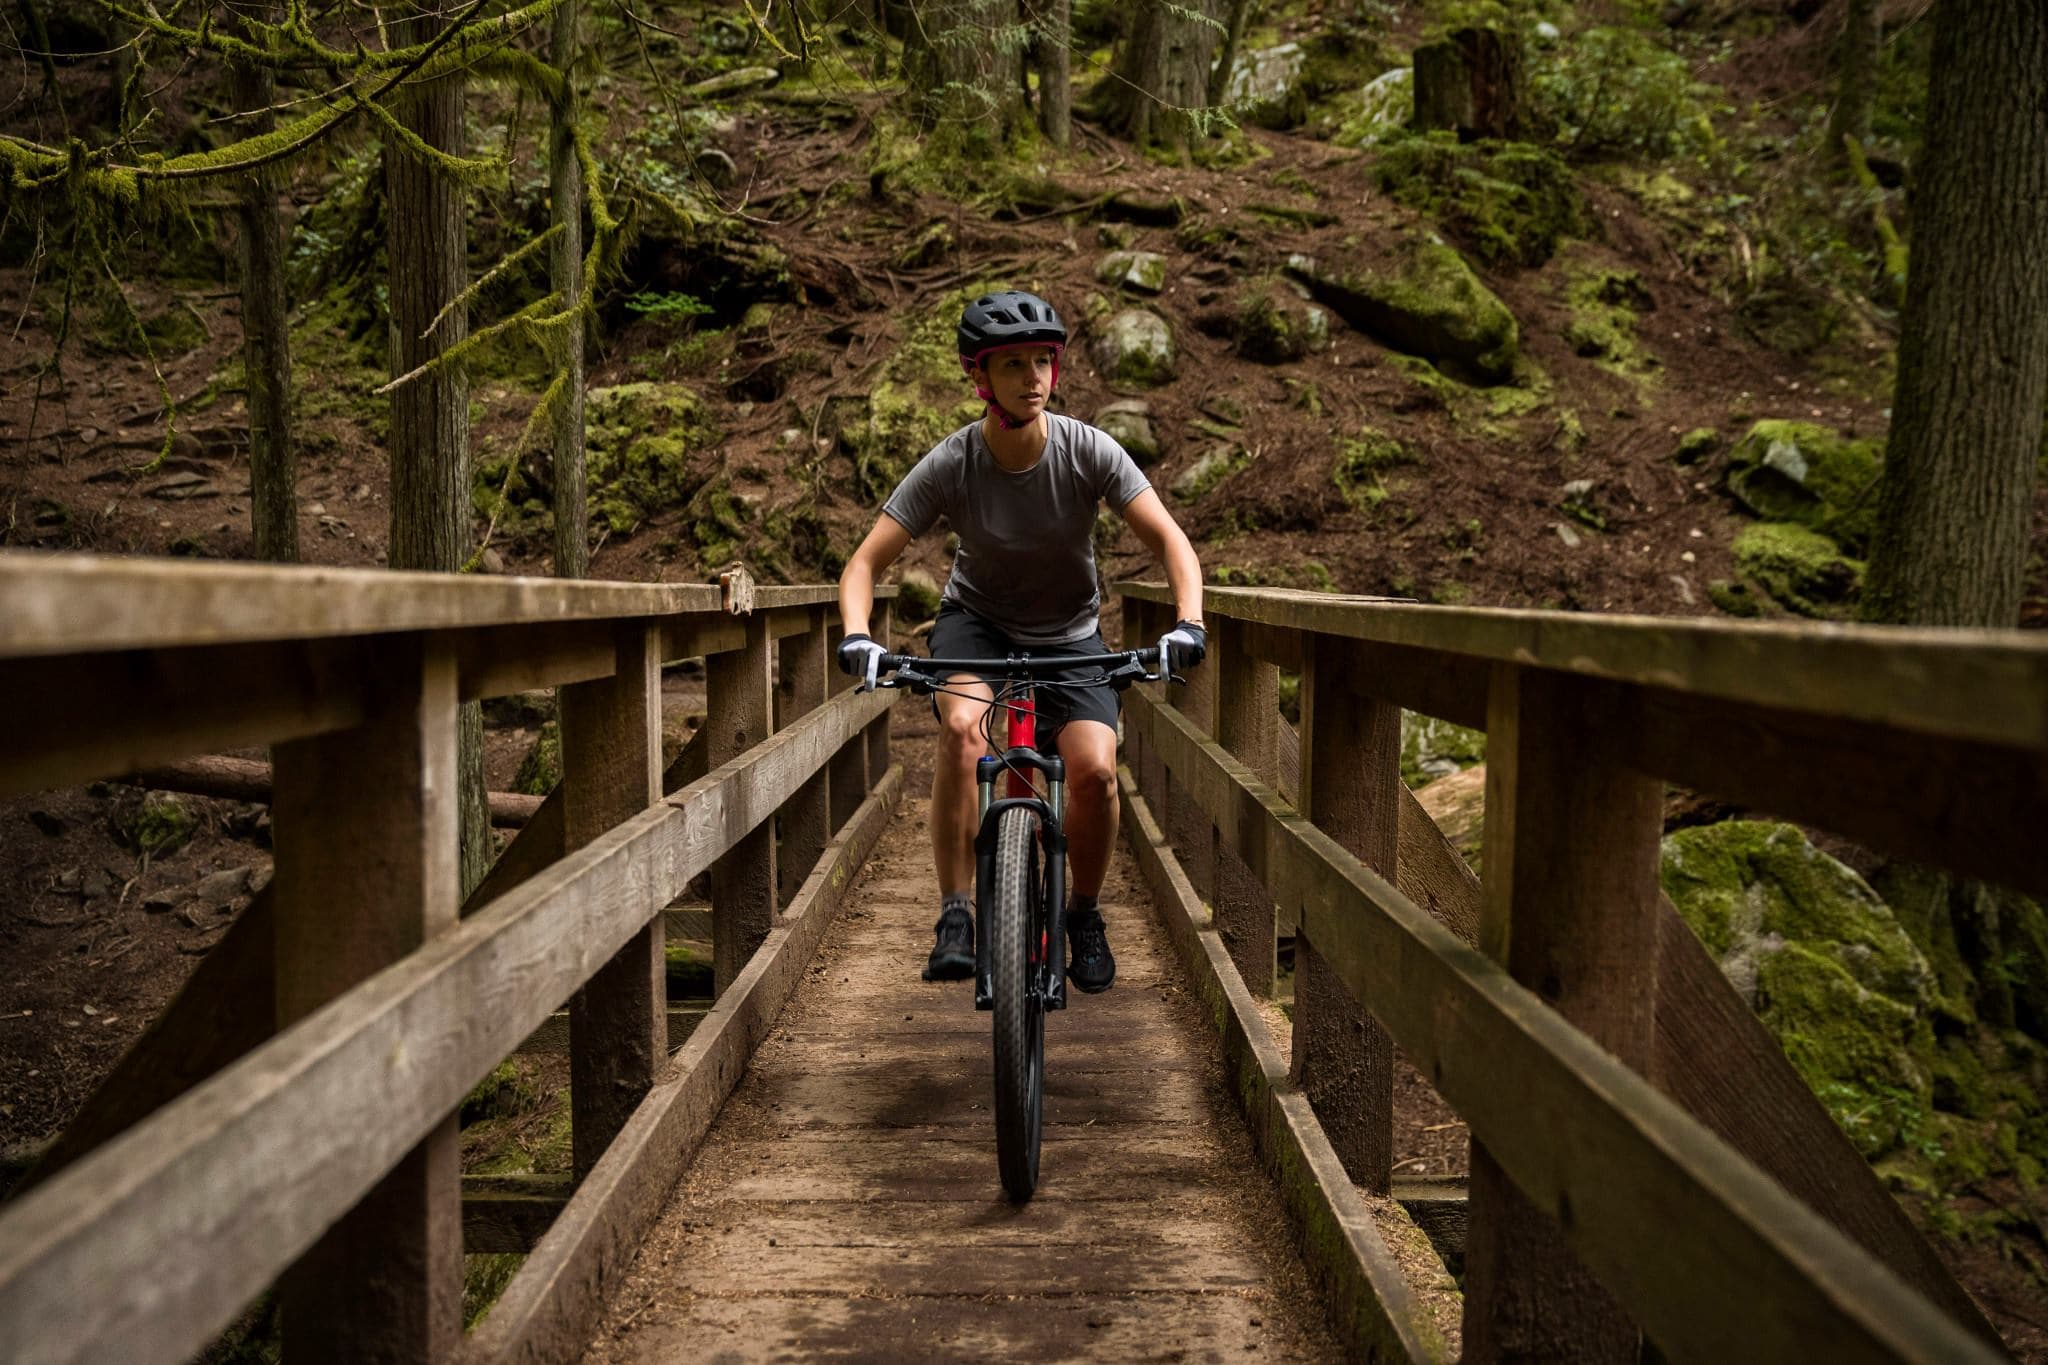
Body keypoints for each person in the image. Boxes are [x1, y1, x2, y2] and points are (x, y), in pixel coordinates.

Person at [835, 289, 1207, 993]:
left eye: (1044, 361)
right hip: (977, 623)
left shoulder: (1087, 450)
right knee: (963, 729)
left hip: (1071, 635)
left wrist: (1188, 620)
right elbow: (863, 564)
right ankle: (956, 913)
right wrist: (859, 636)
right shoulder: (953, 462)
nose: (1033, 376)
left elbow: (1170, 540)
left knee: (1095, 771)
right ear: (982, 377)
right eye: (1014, 364)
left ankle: (1083, 913)